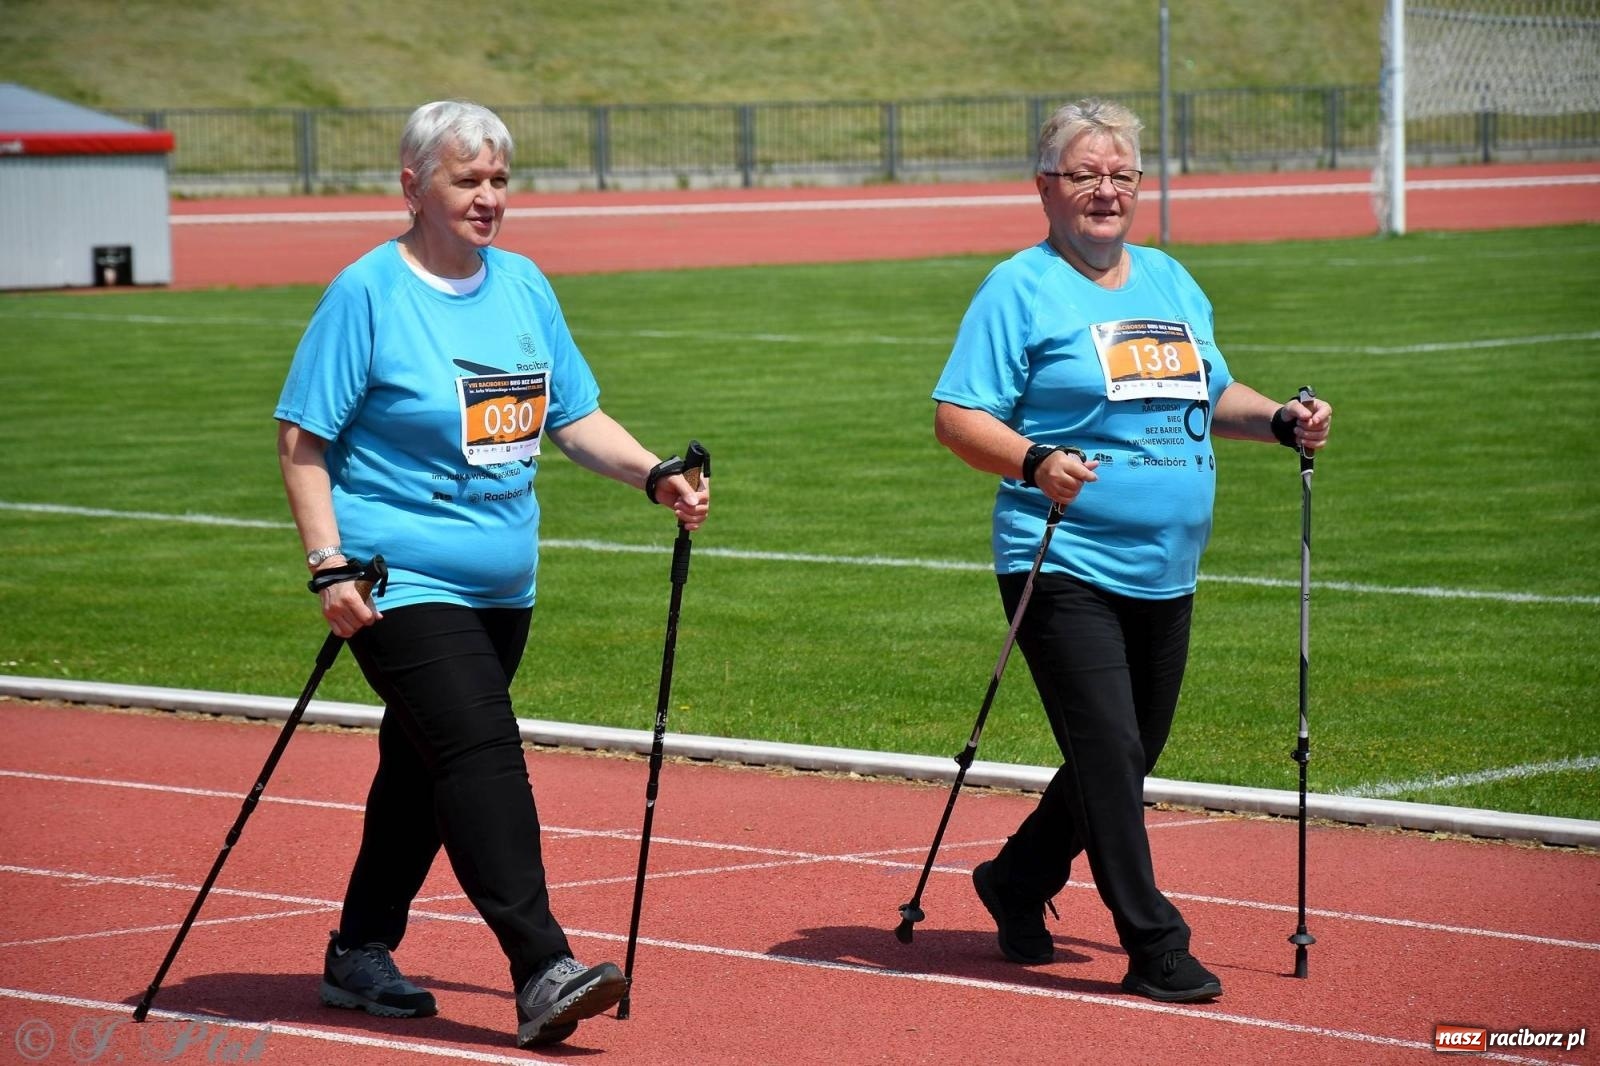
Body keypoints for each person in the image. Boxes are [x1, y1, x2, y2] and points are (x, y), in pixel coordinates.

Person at [274, 100, 709, 1048]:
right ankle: (542, 966)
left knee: (420, 767)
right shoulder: (368, 292)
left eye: (499, 180)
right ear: (412, 185)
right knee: (479, 750)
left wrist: (654, 474)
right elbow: (303, 439)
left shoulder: (523, 285)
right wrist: (326, 564)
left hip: (504, 589)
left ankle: (359, 950)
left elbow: (573, 417)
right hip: (397, 577)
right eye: (466, 179)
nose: (487, 198)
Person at [930, 98, 1330, 1003]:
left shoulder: (1171, 281)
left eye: (1121, 175)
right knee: (1112, 753)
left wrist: (1279, 419)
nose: (1105, 191)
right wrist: (1035, 461)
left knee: (1127, 751)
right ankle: (1155, 941)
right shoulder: (1019, 288)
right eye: (1085, 174)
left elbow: (1213, 393)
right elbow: (958, 416)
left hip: (1166, 567)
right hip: (1061, 558)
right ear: (1046, 188)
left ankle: (1018, 879)